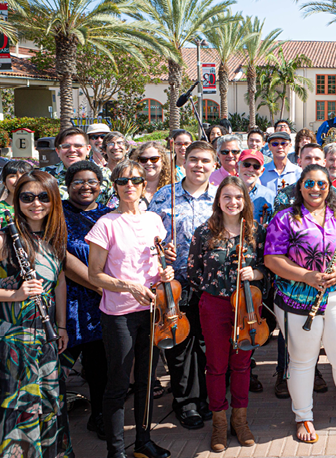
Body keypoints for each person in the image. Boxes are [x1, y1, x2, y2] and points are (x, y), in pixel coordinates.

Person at [264, 164, 336, 443]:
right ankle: (303, 416)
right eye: (309, 183)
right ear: (300, 187)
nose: (316, 189)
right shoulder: (285, 218)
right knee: (302, 361)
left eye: (322, 184)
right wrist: (307, 276)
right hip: (296, 300)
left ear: (330, 188)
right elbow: (272, 259)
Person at [87, 161, 175, 458]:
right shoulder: (106, 224)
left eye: (135, 180)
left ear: (142, 184)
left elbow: (159, 262)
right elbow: (94, 274)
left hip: (152, 310)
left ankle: (143, 441)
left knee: (147, 380)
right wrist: (129, 286)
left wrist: (167, 273)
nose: (129, 185)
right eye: (122, 180)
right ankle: (116, 451)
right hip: (119, 312)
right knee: (119, 381)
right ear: (115, 186)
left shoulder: (153, 219)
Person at [0, 171, 71, 458]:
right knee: (11, 410)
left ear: (54, 200)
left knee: (43, 406)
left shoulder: (54, 238)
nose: (36, 203)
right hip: (7, 339)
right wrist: (14, 295)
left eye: (43, 197)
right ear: (16, 200)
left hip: (42, 338)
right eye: (27, 197)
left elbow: (59, 283)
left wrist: (61, 326)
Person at [187, 176, 265, 451]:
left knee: (242, 364)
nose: (233, 202)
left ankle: (239, 421)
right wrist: (215, 290)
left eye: (238, 197)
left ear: (246, 201)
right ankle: (219, 424)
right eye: (227, 197)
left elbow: (269, 268)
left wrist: (254, 273)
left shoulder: (256, 231)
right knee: (216, 366)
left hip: (247, 307)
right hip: (215, 305)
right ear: (218, 200)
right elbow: (193, 272)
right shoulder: (204, 232)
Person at [148, 142, 217, 431]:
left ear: (214, 166)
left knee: (205, 343)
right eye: (193, 160)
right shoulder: (165, 196)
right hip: (175, 283)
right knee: (179, 345)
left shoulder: (219, 196)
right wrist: (163, 250)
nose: (198, 166)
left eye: (204, 161)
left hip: (210, 281)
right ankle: (185, 402)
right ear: (183, 161)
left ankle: (204, 398)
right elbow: (149, 240)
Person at [62, 161, 113, 440]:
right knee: (60, 365)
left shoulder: (109, 216)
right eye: (78, 181)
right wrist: (99, 284)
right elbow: (62, 257)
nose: (86, 187)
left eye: (92, 181)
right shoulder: (58, 214)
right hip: (69, 298)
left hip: (102, 303)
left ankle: (100, 416)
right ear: (68, 185)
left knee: (99, 366)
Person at [43, 126, 113, 203]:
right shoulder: (44, 175)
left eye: (78, 146)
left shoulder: (104, 174)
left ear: (88, 149)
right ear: (57, 151)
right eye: (66, 146)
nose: (72, 150)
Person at [0, 159, 34, 241]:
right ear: (4, 183)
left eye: (24, 175)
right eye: (12, 176)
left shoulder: (39, 208)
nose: (19, 179)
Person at [237, 149, 275, 223]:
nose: (251, 169)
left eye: (256, 166)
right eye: (246, 165)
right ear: (237, 167)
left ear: (262, 171)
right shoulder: (226, 192)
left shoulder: (269, 196)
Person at [131, 140, 173, 207]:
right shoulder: (129, 186)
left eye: (154, 159)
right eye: (143, 159)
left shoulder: (173, 189)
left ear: (163, 161)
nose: (148, 163)